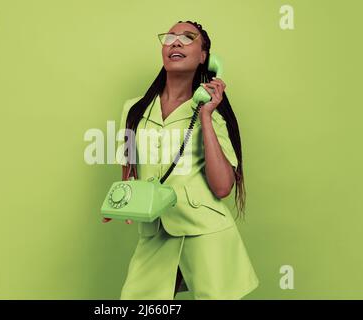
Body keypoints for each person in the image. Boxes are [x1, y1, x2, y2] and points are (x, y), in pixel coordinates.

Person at [103, 20, 259, 300]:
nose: (175, 42)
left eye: (188, 37)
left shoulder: (212, 115)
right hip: (156, 232)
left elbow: (223, 187)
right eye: (170, 37)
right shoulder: (134, 110)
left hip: (206, 234)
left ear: (204, 58)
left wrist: (206, 116)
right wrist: (120, 203)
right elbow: (128, 173)